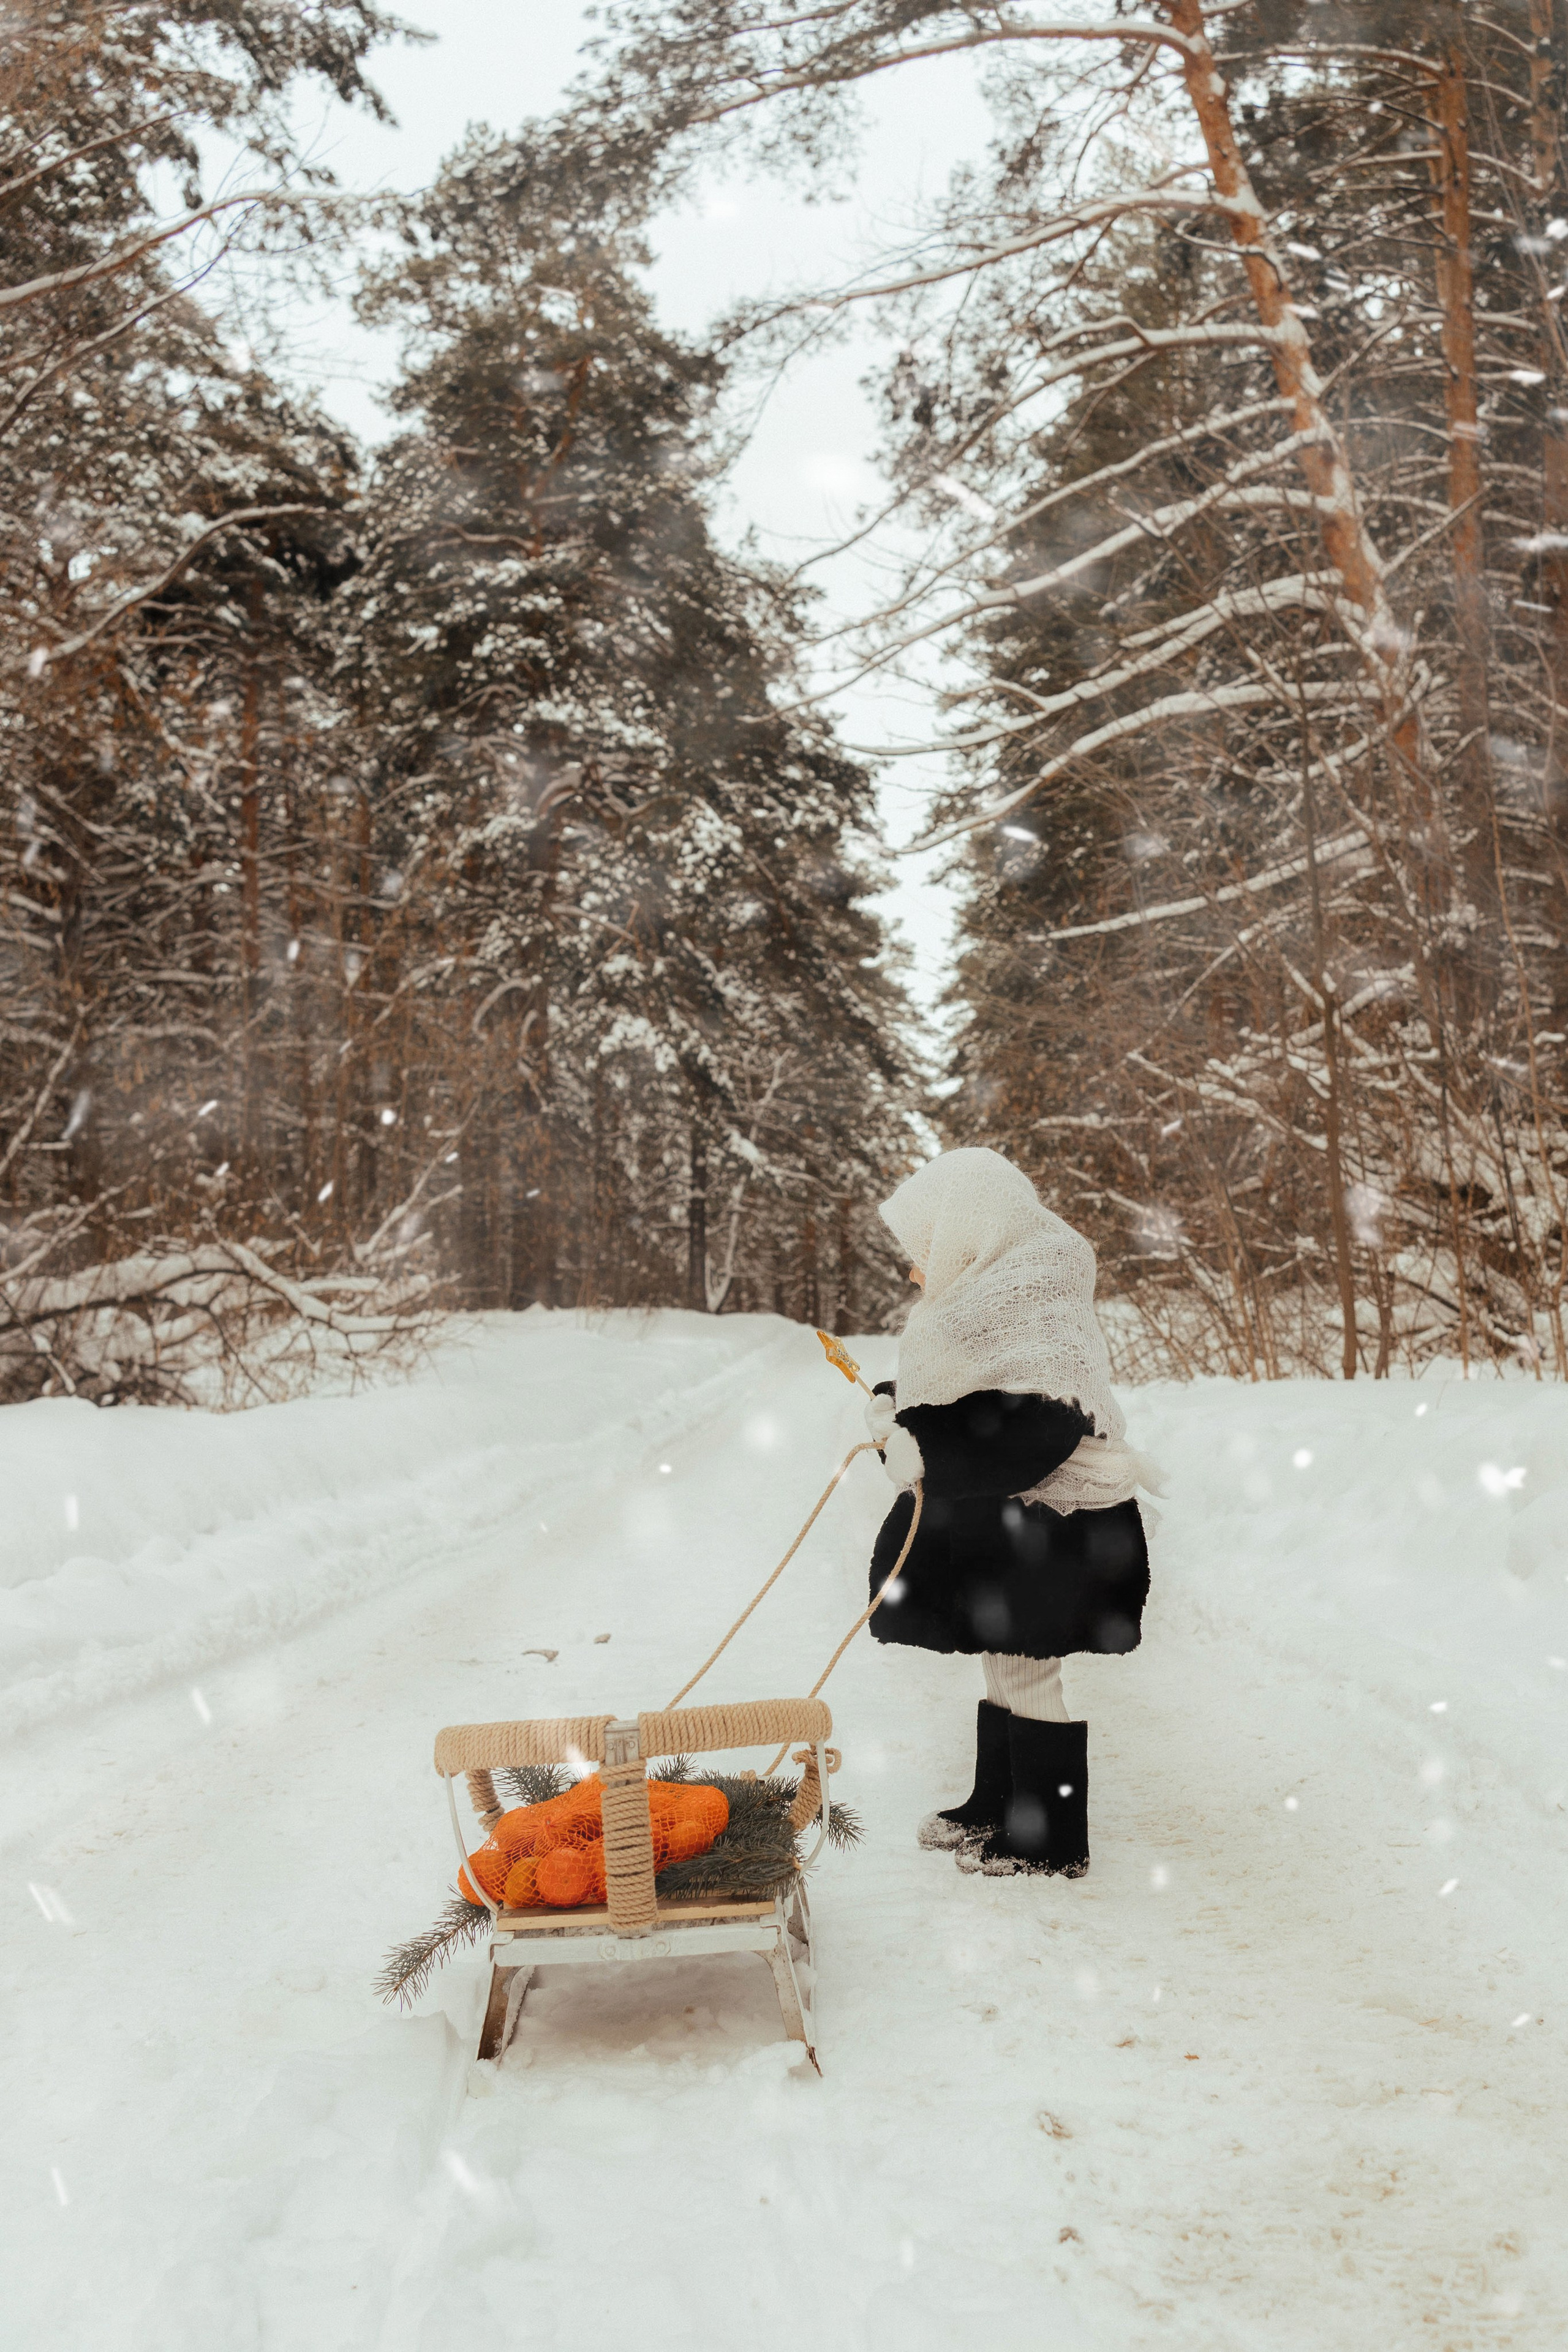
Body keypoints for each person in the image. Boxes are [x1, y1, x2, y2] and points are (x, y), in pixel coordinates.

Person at [864, 1148, 1163, 1879]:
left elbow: (1033, 1425)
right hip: (1012, 1528)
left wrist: (925, 1452)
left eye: (923, 1250)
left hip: (1055, 1528)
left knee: (1030, 1672)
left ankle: (1050, 1837)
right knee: (1006, 1665)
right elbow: (972, 1387)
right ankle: (997, 1802)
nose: (912, 1270)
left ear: (968, 1233)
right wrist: (897, 1403)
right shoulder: (990, 1295)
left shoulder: (1032, 1300)